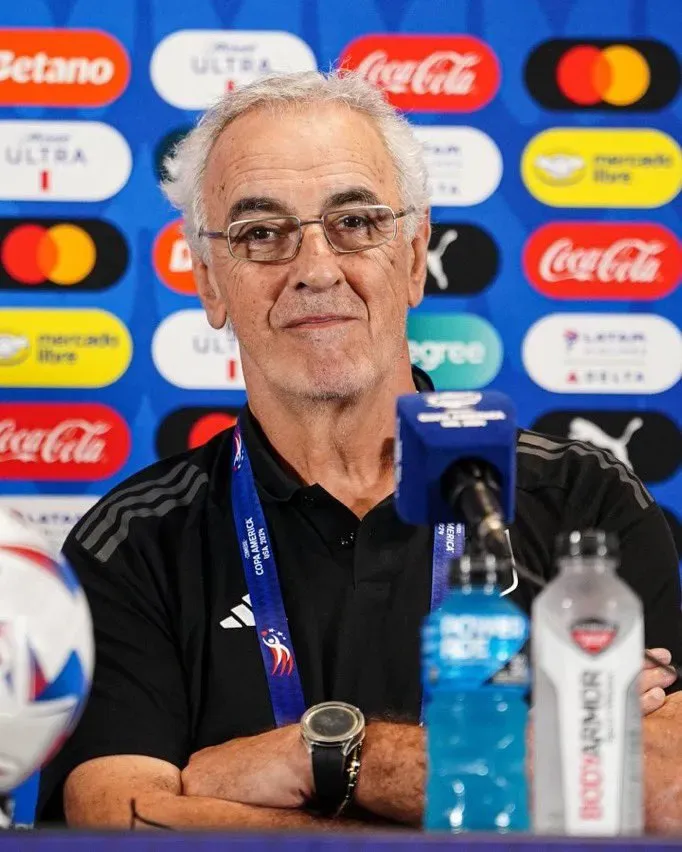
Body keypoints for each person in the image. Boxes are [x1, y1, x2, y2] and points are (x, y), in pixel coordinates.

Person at [38, 70, 682, 831]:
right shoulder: (134, 541)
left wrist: (322, 757)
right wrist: (532, 756)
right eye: (260, 233)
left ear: (413, 258)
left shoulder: (580, 498)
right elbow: (119, 816)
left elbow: (663, 788)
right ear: (210, 282)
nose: (314, 269)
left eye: (354, 222)